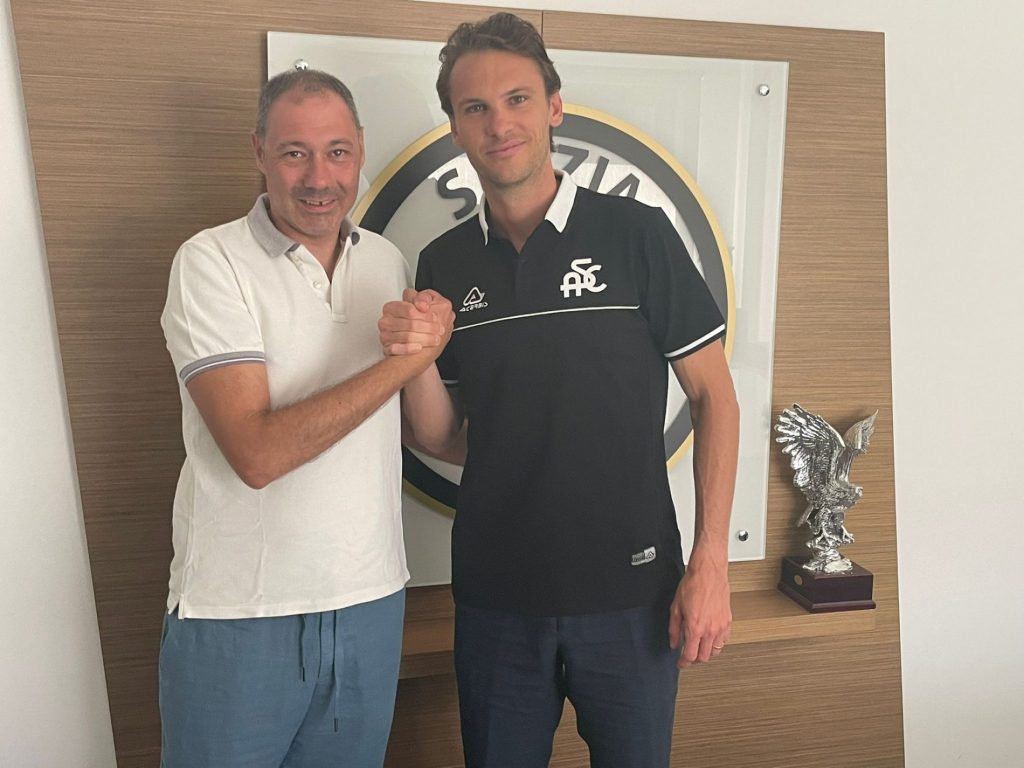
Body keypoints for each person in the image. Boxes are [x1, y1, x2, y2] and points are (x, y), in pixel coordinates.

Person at [379, 12, 740, 768]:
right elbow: (446, 437)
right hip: (495, 602)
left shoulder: (638, 233)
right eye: (475, 107)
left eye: (517, 99)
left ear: (554, 107)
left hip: (633, 595)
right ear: (455, 127)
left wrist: (710, 562)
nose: (499, 123)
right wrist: (415, 362)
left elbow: (715, 398)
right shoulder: (442, 263)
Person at [158, 69, 452, 768]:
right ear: (259, 151)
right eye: (295, 153)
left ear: (360, 151)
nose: (320, 178)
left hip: (371, 603)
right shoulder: (210, 261)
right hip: (239, 613)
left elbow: (429, 434)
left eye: (337, 152)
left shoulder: (386, 261)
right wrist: (404, 364)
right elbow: (255, 454)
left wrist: (428, 348)